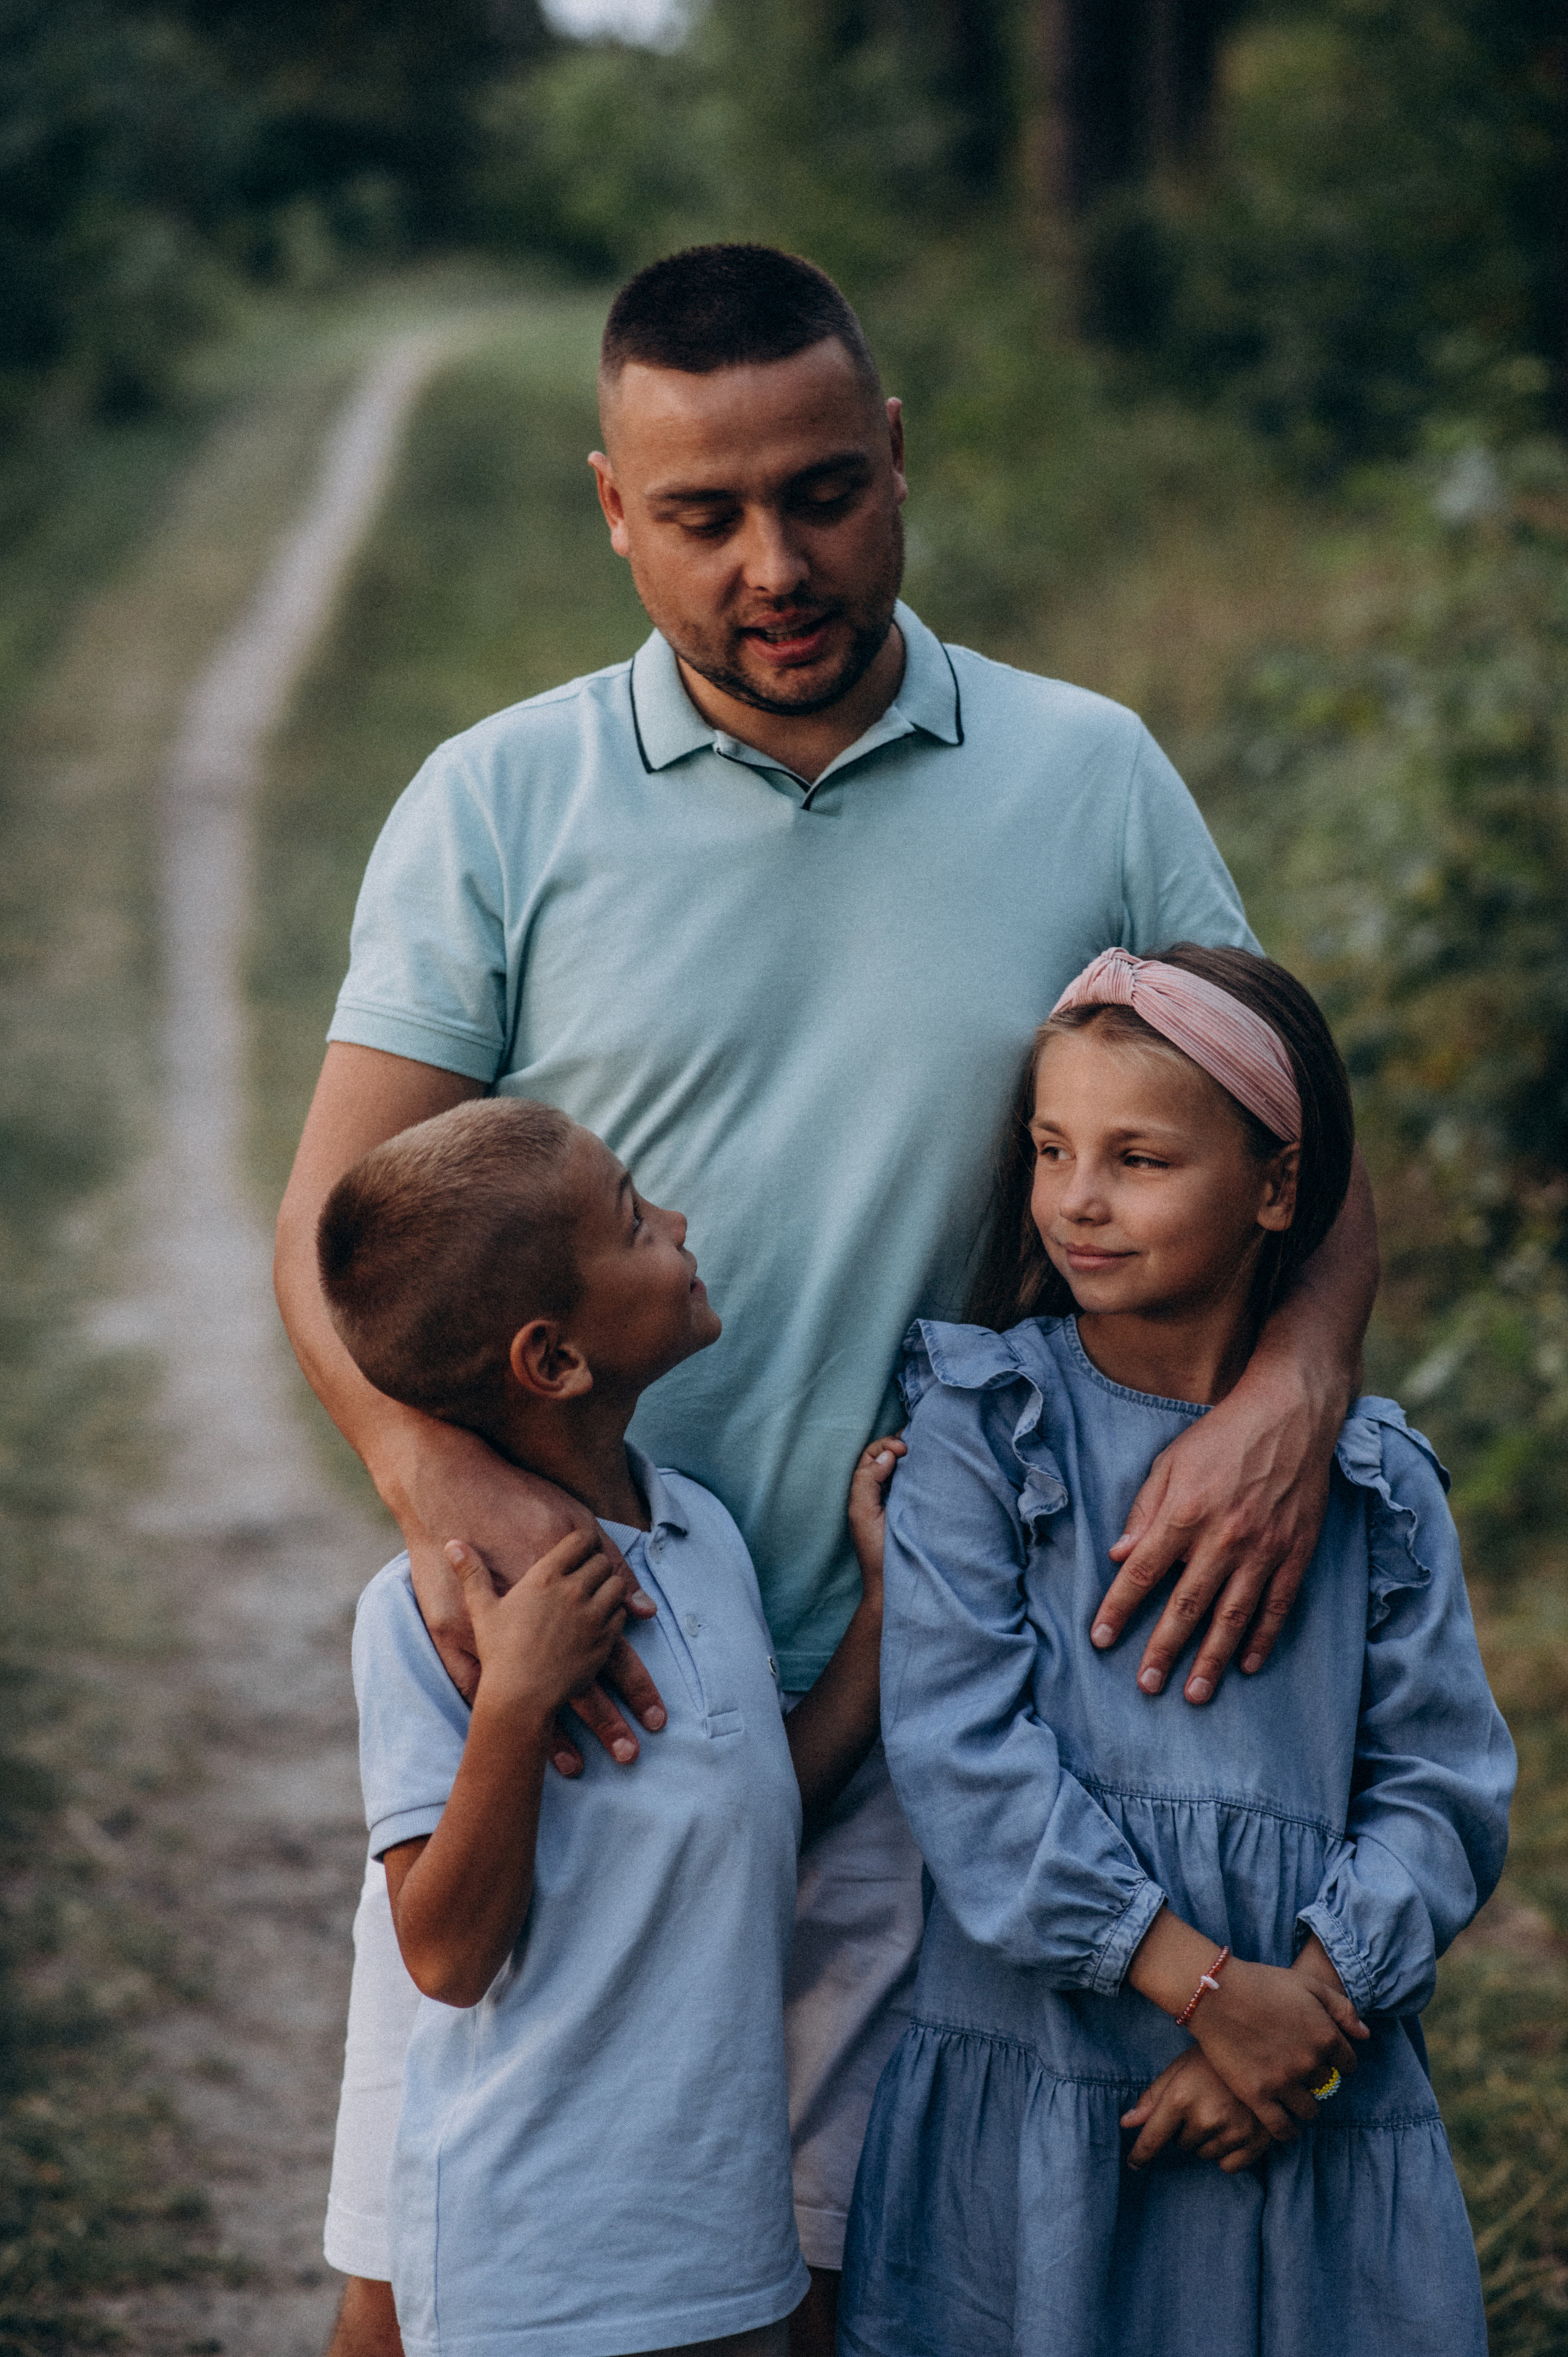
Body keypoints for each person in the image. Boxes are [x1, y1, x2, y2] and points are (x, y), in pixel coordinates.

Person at [271, 246, 1381, 2357]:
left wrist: (1293, 1392)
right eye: (704, 516)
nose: (775, 563)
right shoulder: (499, 799)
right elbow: (329, 1215)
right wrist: (435, 1476)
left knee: (810, 2286)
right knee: (425, 2284)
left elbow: (1294, 1132)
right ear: (616, 508)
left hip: (943, 1704)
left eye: (823, 494)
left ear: (898, 463)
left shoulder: (1090, 774)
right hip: (579, 1705)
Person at [838, 945, 1515, 2357]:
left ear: (1276, 1187)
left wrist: (1302, 2021)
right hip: (1046, 2069)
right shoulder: (982, 1429)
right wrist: (1208, 1993)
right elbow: (965, 1761)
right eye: (1047, 1148)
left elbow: (1441, 1785)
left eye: (1136, 1158)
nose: (1076, 1199)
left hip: (1309, 2078)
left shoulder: (1374, 1485)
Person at [320, 1093, 905, 2357]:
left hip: (723, 2254)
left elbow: (765, 1807)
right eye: (637, 1222)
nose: (681, 1225)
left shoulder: (699, 1537)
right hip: (532, 2268)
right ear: (554, 1360)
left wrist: (882, 1605)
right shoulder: (434, 1618)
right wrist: (518, 1705)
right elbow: (446, 1957)